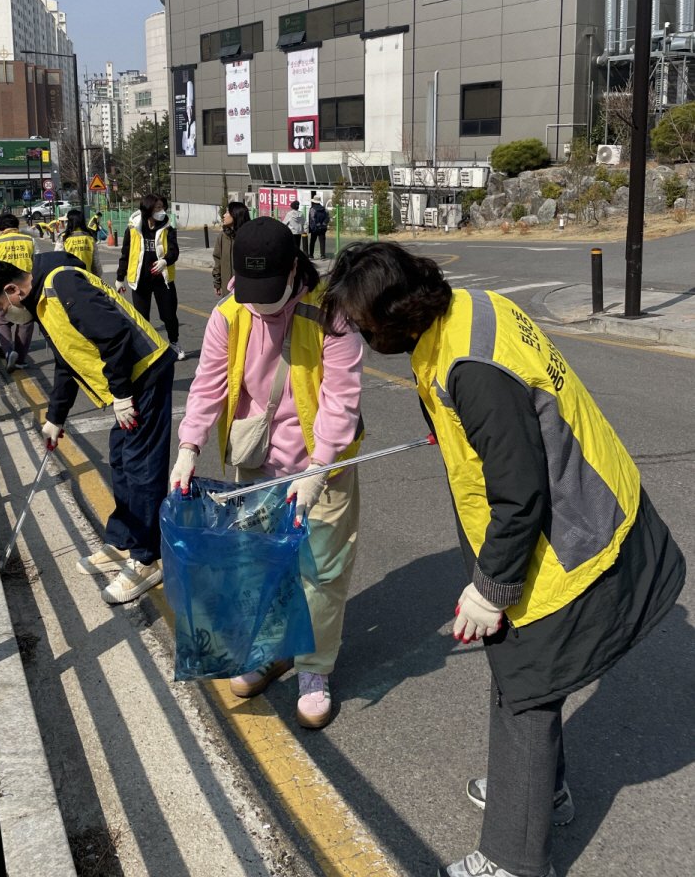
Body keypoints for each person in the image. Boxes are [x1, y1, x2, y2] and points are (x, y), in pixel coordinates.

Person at [320, 241, 686, 877]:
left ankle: (515, 857)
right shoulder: (469, 308)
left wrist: (490, 589)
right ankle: (536, 792)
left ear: (400, 315)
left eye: (366, 325)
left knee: (525, 688)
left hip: (568, 531)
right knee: (525, 675)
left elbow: (520, 494)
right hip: (582, 502)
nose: (364, 338)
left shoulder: (471, 370)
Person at [170, 217, 364, 730]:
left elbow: (341, 400)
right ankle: (271, 650)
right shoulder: (230, 313)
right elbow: (208, 386)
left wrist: (320, 466)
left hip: (322, 470)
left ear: (295, 270)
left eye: (270, 294)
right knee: (259, 568)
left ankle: (314, 669)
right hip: (257, 466)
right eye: (250, 294)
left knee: (320, 574)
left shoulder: (332, 314)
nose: (259, 306)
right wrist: (188, 447)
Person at [0, 251, 175, 604]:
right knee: (121, 460)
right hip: (130, 380)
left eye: (1, 308)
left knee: (141, 468)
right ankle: (123, 540)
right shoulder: (43, 302)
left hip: (145, 373)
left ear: (12, 290)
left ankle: (147, 559)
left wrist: (122, 395)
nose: (4, 315)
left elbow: (115, 336)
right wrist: (55, 417)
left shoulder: (62, 285)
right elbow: (66, 361)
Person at [117, 193, 184, 359]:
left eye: (163, 207)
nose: (162, 211)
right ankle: (146, 348)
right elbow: (126, 253)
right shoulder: (133, 228)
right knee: (142, 317)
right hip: (140, 280)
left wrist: (165, 261)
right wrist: (120, 278)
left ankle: (174, 342)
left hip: (163, 280)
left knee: (169, 315)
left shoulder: (168, 228)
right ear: (148, 209)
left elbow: (174, 251)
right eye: (158, 208)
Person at [0, 214, 36, 372]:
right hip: (26, 289)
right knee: (25, 323)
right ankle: (20, 360)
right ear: (17, 226)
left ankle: (8, 352)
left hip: (4, 291)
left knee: (2, 322)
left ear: (1, 228)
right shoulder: (29, 240)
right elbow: (37, 263)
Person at [212, 200, 250, 297]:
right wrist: (217, 282)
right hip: (226, 290)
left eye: (227, 212)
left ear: (236, 215)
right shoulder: (222, 236)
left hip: (245, 290)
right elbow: (217, 260)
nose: (224, 215)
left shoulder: (249, 237)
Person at [56, 208, 103, 275]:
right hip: (87, 277)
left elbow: (58, 259)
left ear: (69, 222)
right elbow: (96, 263)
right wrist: (98, 277)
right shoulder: (90, 238)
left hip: (70, 276)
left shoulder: (63, 238)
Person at [308, 195, 329, 260]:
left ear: (314, 202)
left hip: (314, 228)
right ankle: (322, 256)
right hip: (323, 228)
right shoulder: (324, 209)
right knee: (322, 241)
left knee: (312, 241)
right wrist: (323, 224)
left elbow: (312, 218)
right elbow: (327, 217)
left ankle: (311, 255)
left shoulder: (312, 209)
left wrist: (317, 224)